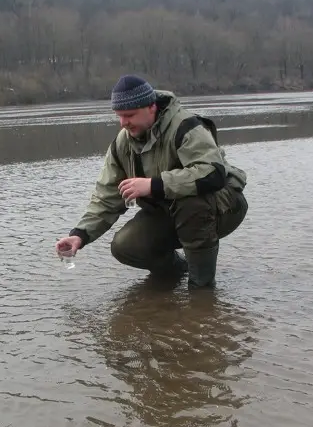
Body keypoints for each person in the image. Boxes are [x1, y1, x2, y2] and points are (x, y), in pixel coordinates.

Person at [55, 75, 248, 288]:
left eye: (129, 115)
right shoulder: (122, 145)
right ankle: (178, 271)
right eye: (119, 116)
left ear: (151, 107)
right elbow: (106, 197)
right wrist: (79, 235)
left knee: (191, 204)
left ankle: (201, 289)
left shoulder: (186, 126)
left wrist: (154, 185)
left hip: (224, 206)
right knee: (125, 245)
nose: (123, 123)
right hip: (171, 213)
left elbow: (213, 173)